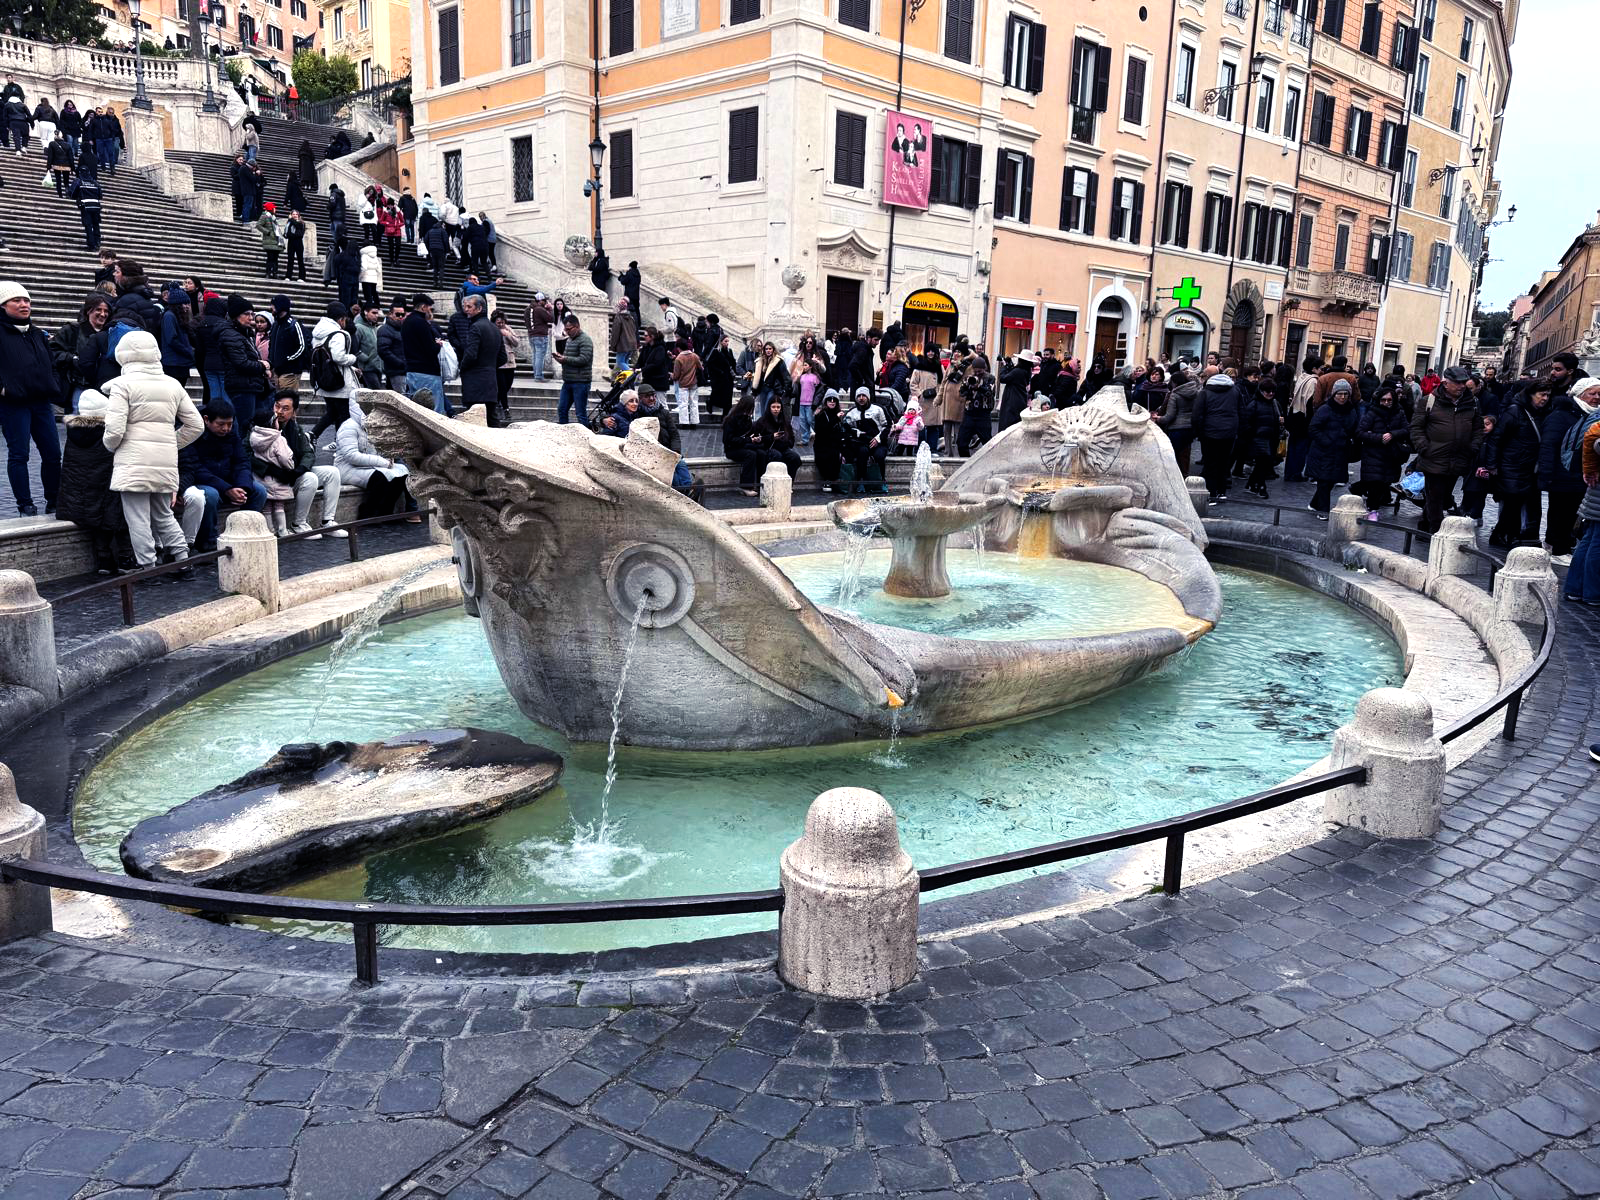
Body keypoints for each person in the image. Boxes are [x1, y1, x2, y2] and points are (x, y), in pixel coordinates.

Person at [98, 331, 205, 570]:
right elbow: (196, 425)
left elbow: (114, 431)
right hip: (164, 460)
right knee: (163, 514)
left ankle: (147, 566)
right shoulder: (172, 384)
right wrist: (170, 443)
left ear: (123, 355)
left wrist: (112, 447)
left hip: (132, 461)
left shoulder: (122, 385)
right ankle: (182, 559)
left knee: (137, 518)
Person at [0, 283, 63, 516]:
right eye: (16, 300)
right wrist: (4, 390)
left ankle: (54, 500)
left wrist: (53, 383)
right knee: (19, 454)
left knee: (53, 454)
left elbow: (52, 363)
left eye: (26, 300)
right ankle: (25, 504)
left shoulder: (37, 333)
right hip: (14, 404)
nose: (24, 304)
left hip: (41, 402)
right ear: (3, 305)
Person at [177, 399, 268, 551]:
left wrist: (242, 486)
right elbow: (195, 469)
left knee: (259, 491)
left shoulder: (232, 435)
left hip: (228, 481)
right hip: (203, 482)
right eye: (220, 424)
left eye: (229, 424)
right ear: (206, 420)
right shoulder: (192, 434)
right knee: (210, 496)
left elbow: (242, 462)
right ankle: (207, 542)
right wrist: (226, 489)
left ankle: (246, 534)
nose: (226, 428)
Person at [55, 386, 128, 574]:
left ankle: (104, 558)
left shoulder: (73, 432)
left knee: (97, 512)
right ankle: (126, 558)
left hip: (76, 498)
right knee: (118, 508)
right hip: (104, 492)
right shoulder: (106, 432)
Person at [1410, 364, 1483, 533]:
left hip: (1459, 458)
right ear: (1446, 383)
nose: (1462, 386)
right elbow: (1416, 427)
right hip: (1433, 457)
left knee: (1442, 497)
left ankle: (1424, 526)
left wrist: (1473, 447)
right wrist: (1423, 446)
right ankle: (1436, 532)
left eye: (1464, 382)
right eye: (1457, 383)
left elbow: (1478, 428)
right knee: (1435, 497)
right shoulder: (1429, 401)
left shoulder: (1472, 402)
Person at [1484, 379, 1549, 548]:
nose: (1545, 398)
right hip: (1511, 465)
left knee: (1515, 504)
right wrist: (1492, 465)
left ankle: (1503, 535)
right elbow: (1496, 438)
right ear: (1531, 394)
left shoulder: (1539, 412)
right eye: (1542, 394)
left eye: (1547, 395)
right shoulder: (1514, 411)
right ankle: (1507, 536)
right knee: (1512, 503)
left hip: (1527, 467)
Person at [1539, 378, 1597, 565]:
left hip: (1580, 474)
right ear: (1580, 394)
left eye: (1599, 394)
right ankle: (1557, 548)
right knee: (1560, 512)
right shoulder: (1561, 415)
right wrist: (1547, 474)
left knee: (1571, 512)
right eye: (1592, 393)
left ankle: (1559, 544)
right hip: (1562, 471)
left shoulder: (1591, 416)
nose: (1597, 397)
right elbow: (1549, 445)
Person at [271, 390, 345, 538]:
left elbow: (308, 453)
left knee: (332, 472)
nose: (279, 412)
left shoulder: (295, 428)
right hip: (276, 477)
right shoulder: (265, 425)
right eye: (277, 406)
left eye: (285, 408)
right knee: (310, 478)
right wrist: (280, 472)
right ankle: (299, 524)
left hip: (293, 473)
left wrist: (301, 469)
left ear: (294, 412)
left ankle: (328, 521)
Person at [334, 396, 410, 518]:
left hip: (369, 465)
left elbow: (379, 448)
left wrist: (390, 454)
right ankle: (367, 514)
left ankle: (386, 512)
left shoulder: (373, 424)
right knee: (380, 477)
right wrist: (382, 462)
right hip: (347, 468)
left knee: (402, 471)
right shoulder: (348, 426)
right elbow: (351, 456)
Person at [1305, 378, 1360, 518]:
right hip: (1323, 451)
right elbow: (1313, 428)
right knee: (1324, 481)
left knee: (1331, 481)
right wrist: (1326, 441)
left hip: (1340, 451)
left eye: (1345, 394)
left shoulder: (1351, 411)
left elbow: (1354, 428)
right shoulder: (1325, 409)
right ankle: (1323, 511)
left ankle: (1314, 503)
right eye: (1339, 394)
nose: (1342, 397)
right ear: (1334, 394)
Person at [1354, 384, 1411, 517]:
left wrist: (1393, 434)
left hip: (1392, 455)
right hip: (1373, 454)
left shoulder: (1399, 413)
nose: (1386, 402)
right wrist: (1379, 438)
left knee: (1385, 482)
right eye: (1383, 400)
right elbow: (1360, 433)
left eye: (1389, 400)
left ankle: (1360, 491)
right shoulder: (1372, 413)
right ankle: (1372, 510)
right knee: (1375, 482)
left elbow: (1407, 430)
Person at [49, 292, 110, 413]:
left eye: (106, 311)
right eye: (98, 310)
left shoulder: (110, 332)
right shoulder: (72, 330)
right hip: (78, 385)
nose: (103, 314)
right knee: (78, 417)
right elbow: (51, 351)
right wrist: (72, 359)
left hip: (102, 386)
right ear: (88, 311)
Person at [1192, 370, 1243, 505]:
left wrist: (1199, 433)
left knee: (1210, 464)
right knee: (1224, 463)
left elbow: (1197, 415)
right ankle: (1222, 492)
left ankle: (1212, 493)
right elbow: (1241, 410)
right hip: (1229, 432)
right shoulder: (1235, 391)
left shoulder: (1204, 393)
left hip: (1210, 433)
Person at [218, 295, 271, 424]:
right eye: (246, 314)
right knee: (244, 425)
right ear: (236, 315)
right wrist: (263, 366)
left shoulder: (245, 332)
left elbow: (252, 357)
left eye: (252, 314)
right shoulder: (231, 334)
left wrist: (263, 366)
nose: (251, 318)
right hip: (242, 386)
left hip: (251, 385)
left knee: (256, 423)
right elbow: (241, 363)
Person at [249, 404, 299, 536]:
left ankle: (270, 531)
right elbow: (284, 457)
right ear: (272, 423)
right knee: (279, 505)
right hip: (277, 479)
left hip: (261, 478)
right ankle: (282, 530)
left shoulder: (254, 437)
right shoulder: (278, 438)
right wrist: (290, 466)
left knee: (266, 507)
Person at [458, 294, 504, 425]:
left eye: (469, 307)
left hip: (475, 382)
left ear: (479, 308)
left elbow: (471, 355)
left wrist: (463, 368)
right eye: (465, 307)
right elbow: (503, 357)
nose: (466, 309)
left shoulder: (475, 327)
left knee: (474, 421)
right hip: (490, 381)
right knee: (492, 419)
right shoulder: (495, 328)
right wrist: (489, 367)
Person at [403, 294, 448, 415]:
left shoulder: (407, 321)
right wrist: (438, 345)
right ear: (423, 307)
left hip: (412, 370)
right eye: (429, 308)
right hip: (427, 372)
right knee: (434, 411)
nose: (430, 311)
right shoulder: (421, 323)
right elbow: (431, 349)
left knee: (417, 410)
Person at [1241, 380, 1283, 499]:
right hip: (1258, 439)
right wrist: (1253, 433)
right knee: (1263, 463)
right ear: (1261, 391)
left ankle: (1251, 485)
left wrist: (1280, 422)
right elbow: (1246, 422)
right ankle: (1261, 487)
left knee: (1263, 463)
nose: (1270, 393)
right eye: (1267, 391)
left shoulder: (1274, 403)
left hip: (1271, 438)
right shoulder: (1254, 404)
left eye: (1273, 391)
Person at [1155, 366, 1199, 474]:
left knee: (1173, 455)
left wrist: (1159, 419)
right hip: (1190, 428)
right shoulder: (1195, 392)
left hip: (1176, 429)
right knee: (1185, 455)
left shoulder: (1175, 394)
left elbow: (1170, 416)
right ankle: (1185, 476)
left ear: (1175, 382)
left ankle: (1174, 477)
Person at [722, 393, 767, 496]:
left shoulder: (747, 419)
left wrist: (755, 439)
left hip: (743, 446)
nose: (751, 411)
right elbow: (728, 440)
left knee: (761, 453)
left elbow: (749, 435)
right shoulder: (731, 420)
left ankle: (760, 484)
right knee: (751, 455)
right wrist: (748, 440)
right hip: (732, 449)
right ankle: (745, 486)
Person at [553, 312, 593, 425]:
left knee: (580, 413)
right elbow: (569, 359)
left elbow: (584, 359)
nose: (567, 332)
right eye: (565, 329)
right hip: (568, 381)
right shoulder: (569, 340)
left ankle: (585, 434)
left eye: (569, 329)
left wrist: (565, 359)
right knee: (562, 410)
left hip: (581, 382)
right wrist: (560, 359)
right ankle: (565, 432)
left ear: (577, 326)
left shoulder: (585, 340)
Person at [157, 283, 195, 387]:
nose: (187, 307)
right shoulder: (169, 316)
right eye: (184, 304)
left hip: (180, 362)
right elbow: (172, 339)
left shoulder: (178, 317)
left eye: (188, 303)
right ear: (177, 305)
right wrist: (188, 351)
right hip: (173, 363)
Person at [754, 398, 802, 478]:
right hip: (768, 448)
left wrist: (784, 439)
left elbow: (791, 439)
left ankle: (789, 481)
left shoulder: (785, 421)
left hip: (783, 447)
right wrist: (772, 437)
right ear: (769, 408)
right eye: (773, 407)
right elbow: (758, 439)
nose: (776, 409)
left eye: (778, 407)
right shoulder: (762, 421)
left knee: (795, 458)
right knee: (776, 456)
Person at [812, 390, 846, 490]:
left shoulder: (838, 413)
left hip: (835, 443)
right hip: (822, 443)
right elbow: (822, 431)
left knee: (839, 454)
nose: (832, 402)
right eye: (829, 400)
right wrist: (836, 419)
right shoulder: (821, 414)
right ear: (825, 401)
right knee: (828, 455)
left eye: (834, 400)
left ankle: (834, 480)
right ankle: (828, 480)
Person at [957, 367, 995, 457]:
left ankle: (985, 462)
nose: (977, 373)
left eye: (979, 371)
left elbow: (990, 393)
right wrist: (968, 385)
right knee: (961, 442)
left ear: (984, 368)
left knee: (987, 443)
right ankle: (966, 461)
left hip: (983, 414)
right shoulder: (968, 378)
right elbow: (961, 393)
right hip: (969, 414)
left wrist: (979, 387)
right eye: (975, 371)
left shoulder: (990, 378)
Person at [492, 311, 519, 423]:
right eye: (498, 323)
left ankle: (496, 401)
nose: (501, 324)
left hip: (510, 362)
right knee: (502, 387)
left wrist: (507, 334)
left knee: (508, 385)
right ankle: (506, 409)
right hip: (498, 363)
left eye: (502, 322)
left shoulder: (508, 329)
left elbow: (516, 342)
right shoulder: (491, 329)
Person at [68, 168, 103, 251]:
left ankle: (91, 245)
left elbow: (72, 193)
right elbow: (100, 195)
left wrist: (78, 198)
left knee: (88, 225)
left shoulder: (78, 181)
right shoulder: (95, 182)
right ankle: (97, 242)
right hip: (96, 206)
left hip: (85, 206)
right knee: (96, 224)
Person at [996, 351, 1033, 429]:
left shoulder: (1018, 371)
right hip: (1020, 400)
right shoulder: (1026, 371)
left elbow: (1003, 378)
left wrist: (1005, 367)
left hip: (1012, 400)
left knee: (1007, 424)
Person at [670, 336, 702, 426]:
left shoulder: (679, 358)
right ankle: (694, 422)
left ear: (678, 348)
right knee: (694, 403)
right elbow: (701, 368)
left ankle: (684, 422)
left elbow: (676, 375)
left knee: (683, 404)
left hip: (683, 384)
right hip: (693, 382)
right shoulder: (694, 356)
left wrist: (671, 375)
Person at [379, 298, 409, 391]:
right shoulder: (385, 329)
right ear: (390, 314)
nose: (400, 317)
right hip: (396, 371)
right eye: (397, 314)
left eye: (402, 314)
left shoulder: (403, 329)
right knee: (402, 397)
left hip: (404, 370)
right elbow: (383, 351)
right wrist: (400, 363)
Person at [353, 302, 385, 390]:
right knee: (376, 393)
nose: (376, 315)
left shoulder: (374, 328)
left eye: (377, 313)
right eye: (373, 313)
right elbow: (354, 347)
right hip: (367, 369)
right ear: (365, 312)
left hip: (377, 367)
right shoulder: (358, 328)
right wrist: (365, 359)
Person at [706, 333, 736, 422]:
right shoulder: (716, 351)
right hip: (719, 378)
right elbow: (710, 364)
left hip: (728, 378)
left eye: (728, 341)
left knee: (728, 397)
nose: (727, 343)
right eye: (725, 341)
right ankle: (710, 402)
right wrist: (719, 372)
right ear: (721, 342)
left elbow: (733, 362)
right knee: (717, 394)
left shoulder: (729, 351)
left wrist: (733, 369)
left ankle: (725, 416)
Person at [326, 241, 360, 311]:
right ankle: (351, 311)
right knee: (353, 297)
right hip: (355, 279)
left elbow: (336, 260)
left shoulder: (344, 255)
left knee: (345, 297)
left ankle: (345, 310)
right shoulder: (357, 257)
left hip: (345, 278)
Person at [526, 293, 553, 382]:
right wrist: (550, 309)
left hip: (531, 335)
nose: (545, 302)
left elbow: (526, 322)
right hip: (540, 336)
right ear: (540, 301)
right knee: (540, 357)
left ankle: (536, 375)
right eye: (544, 300)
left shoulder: (528, 309)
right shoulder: (539, 309)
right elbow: (551, 319)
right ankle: (538, 376)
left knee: (535, 356)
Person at [255, 202, 283, 278]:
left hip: (276, 241)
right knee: (270, 258)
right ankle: (268, 273)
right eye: (274, 208)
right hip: (269, 241)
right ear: (271, 209)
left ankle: (275, 273)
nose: (275, 209)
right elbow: (258, 225)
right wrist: (267, 232)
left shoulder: (273, 217)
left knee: (275, 258)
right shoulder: (265, 216)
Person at [611, 298, 638, 372]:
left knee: (620, 362)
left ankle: (631, 375)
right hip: (631, 344)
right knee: (625, 362)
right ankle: (627, 377)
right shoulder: (631, 317)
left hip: (623, 344)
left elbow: (615, 334)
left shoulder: (618, 318)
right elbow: (634, 330)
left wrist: (613, 345)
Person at [45, 129, 73, 197]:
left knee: (58, 180)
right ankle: (67, 191)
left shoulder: (52, 144)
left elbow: (50, 156)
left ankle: (60, 194)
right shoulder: (67, 145)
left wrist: (48, 166)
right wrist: (72, 168)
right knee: (66, 180)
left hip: (56, 164)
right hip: (66, 165)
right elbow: (71, 157)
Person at [424, 219, 450, 287]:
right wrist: (447, 251)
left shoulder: (430, 231)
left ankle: (435, 282)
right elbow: (446, 241)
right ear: (441, 225)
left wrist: (429, 249)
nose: (445, 227)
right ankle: (441, 282)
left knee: (435, 267)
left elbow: (426, 240)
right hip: (441, 250)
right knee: (441, 267)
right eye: (444, 225)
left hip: (432, 250)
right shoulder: (442, 231)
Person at [284, 209, 308, 282]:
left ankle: (302, 277)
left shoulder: (301, 223)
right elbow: (287, 234)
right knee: (290, 260)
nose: (295, 215)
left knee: (300, 260)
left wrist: (291, 220)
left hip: (298, 243)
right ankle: (288, 276)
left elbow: (299, 234)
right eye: (293, 214)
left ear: (299, 215)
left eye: (296, 214)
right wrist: (291, 235)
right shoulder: (289, 223)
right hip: (291, 243)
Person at [358, 243, 384, 310]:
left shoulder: (364, 256)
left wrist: (360, 277)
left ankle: (369, 308)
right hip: (374, 278)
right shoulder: (375, 257)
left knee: (367, 295)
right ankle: (377, 306)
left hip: (366, 278)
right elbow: (378, 269)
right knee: (374, 293)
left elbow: (364, 268)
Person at [379, 199, 404, 266]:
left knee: (398, 245)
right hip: (389, 231)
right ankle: (392, 260)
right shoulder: (385, 212)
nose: (390, 206)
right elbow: (381, 221)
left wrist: (398, 225)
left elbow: (403, 221)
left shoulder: (397, 211)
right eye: (389, 205)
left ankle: (396, 258)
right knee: (391, 246)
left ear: (393, 205)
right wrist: (387, 223)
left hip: (397, 230)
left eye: (391, 205)